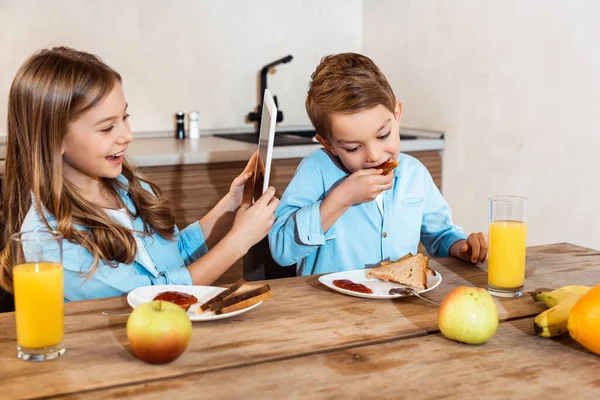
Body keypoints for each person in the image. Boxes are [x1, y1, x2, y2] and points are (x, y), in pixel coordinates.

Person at [0, 47, 278, 301]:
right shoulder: (49, 240)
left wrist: (229, 206)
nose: (127, 136)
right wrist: (237, 243)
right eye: (107, 128)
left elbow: (172, 257)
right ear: (54, 139)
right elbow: (152, 295)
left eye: (125, 117)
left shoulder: (121, 186)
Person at [269, 53, 487, 276]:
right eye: (353, 148)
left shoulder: (415, 174)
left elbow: (440, 235)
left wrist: (462, 248)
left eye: (383, 135)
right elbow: (282, 249)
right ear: (328, 144)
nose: (373, 155)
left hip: (398, 302)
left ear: (397, 115)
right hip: (329, 307)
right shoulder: (315, 170)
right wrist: (341, 199)